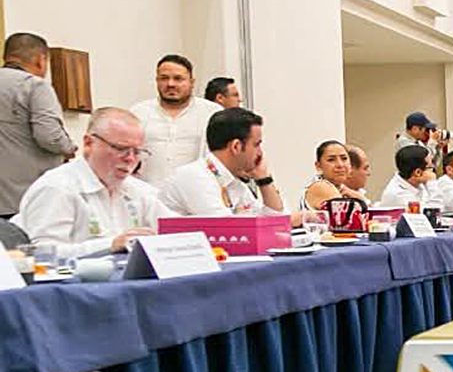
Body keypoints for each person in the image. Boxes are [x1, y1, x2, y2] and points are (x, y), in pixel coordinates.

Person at [16, 107, 175, 258]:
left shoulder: (138, 190)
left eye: (137, 151)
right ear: (88, 143)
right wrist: (111, 245)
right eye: (121, 149)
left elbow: (176, 230)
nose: (130, 159)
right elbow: (43, 253)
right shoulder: (57, 188)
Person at [159, 107, 287, 216]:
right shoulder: (194, 177)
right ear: (236, 146)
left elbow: (277, 221)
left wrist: (264, 179)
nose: (260, 153)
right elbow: (229, 230)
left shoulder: (233, 181)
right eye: (256, 144)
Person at [0, 32, 75, 217]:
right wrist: (69, 147)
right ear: (41, 60)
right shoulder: (35, 86)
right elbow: (49, 137)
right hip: (25, 198)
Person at [131, 54, 215, 184]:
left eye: (178, 79)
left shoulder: (211, 113)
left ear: (192, 82)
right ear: (157, 81)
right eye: (164, 78)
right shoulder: (138, 113)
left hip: (196, 193)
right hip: (149, 192)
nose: (170, 84)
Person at [301, 139, 372, 213]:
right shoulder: (320, 186)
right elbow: (347, 214)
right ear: (318, 166)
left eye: (344, 158)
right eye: (331, 160)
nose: (340, 165)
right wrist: (361, 199)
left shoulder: (342, 188)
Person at [378, 143, 435, 208]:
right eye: (430, 167)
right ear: (418, 172)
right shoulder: (398, 195)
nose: (433, 168)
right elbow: (434, 211)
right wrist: (432, 182)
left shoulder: (417, 183)